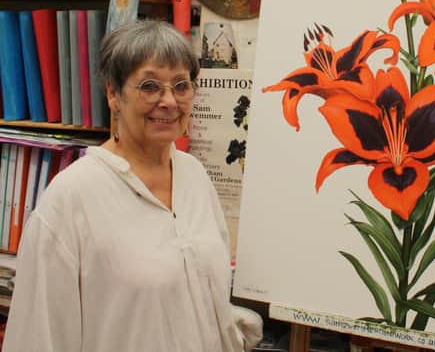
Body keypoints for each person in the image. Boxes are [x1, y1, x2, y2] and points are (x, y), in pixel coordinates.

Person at [3, 20, 263, 352]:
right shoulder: (72, 197)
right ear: (113, 93)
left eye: (181, 85)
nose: (169, 101)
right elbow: (37, 335)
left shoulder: (193, 176)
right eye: (150, 86)